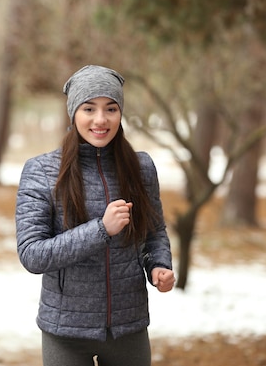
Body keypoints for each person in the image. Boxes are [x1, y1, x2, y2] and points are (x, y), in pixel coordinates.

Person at [15, 64, 175, 366]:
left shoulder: (140, 168)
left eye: (110, 109)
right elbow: (32, 254)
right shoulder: (42, 171)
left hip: (129, 327)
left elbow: (153, 233)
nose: (100, 120)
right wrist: (100, 229)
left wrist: (159, 266)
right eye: (89, 108)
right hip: (66, 333)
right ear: (73, 112)